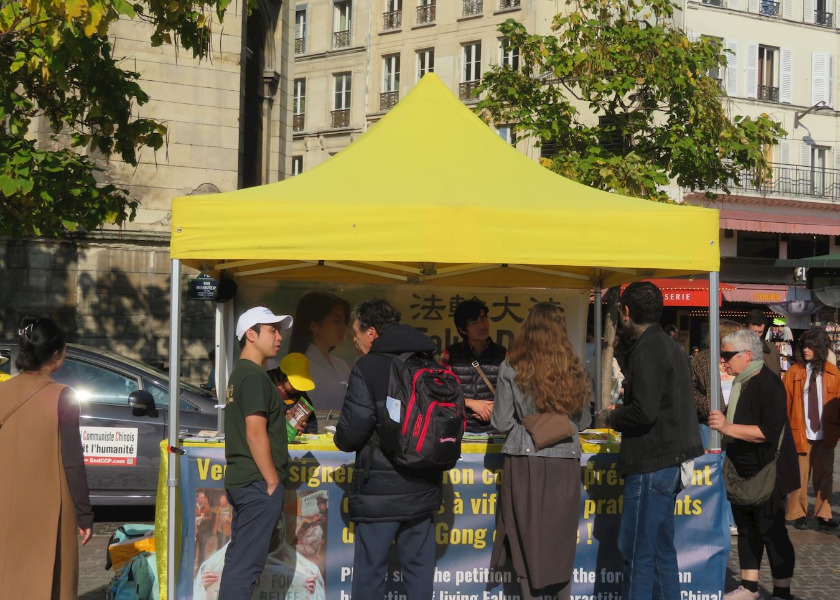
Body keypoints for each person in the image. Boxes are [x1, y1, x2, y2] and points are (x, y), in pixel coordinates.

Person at [334, 298, 442, 600]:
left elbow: (351, 435)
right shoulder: (428, 363)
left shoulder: (367, 367)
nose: (354, 339)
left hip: (379, 492)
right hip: (423, 486)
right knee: (420, 574)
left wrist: (340, 438)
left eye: (356, 332)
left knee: (370, 575)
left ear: (371, 333)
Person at [603, 282, 703, 600]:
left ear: (626, 312)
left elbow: (644, 412)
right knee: (660, 553)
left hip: (652, 461)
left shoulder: (648, 349)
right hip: (666, 460)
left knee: (639, 554)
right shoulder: (668, 344)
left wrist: (613, 416)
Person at [490, 303, 591, 600]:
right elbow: (583, 421)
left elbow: (501, 422)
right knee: (560, 539)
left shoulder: (512, 366)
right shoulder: (574, 367)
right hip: (566, 461)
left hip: (524, 458)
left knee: (526, 537)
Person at [0, 316, 93, 600]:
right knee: (53, 582)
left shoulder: (2, 391)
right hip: (51, 503)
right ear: (56, 355)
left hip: (5, 502)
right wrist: (84, 515)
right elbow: (73, 461)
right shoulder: (62, 396)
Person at [709, 329, 799, 600]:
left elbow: (768, 432)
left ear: (747, 355)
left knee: (772, 530)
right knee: (747, 527)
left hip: (770, 469)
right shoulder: (742, 382)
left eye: (727, 355)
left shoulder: (768, 383)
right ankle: (749, 587)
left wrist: (727, 427)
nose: (723, 361)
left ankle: (782, 590)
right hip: (743, 469)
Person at [219, 306, 293, 600]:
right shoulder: (252, 376)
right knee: (245, 565)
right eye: (272, 330)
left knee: (241, 561)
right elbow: (255, 432)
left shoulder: (245, 374)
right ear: (251, 334)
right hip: (256, 483)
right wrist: (272, 480)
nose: (279, 337)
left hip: (248, 481)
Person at [783, 329, 840, 531]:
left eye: (811, 346)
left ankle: (824, 514)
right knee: (799, 475)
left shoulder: (834, 374)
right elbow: (785, 404)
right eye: (804, 346)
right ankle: (798, 513)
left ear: (820, 348)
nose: (806, 350)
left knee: (825, 475)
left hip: (826, 433)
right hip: (800, 431)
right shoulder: (793, 373)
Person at [441, 298, 507, 432]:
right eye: (475, 323)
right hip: (459, 430)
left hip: (495, 431)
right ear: (463, 330)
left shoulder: (503, 354)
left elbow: (514, 391)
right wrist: (470, 403)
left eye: (483, 319)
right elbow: (440, 391)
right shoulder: (450, 354)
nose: (482, 326)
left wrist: (497, 408)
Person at [288, 291, 352, 411]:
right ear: (314, 326)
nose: (343, 327)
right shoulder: (300, 366)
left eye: (344, 321)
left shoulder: (341, 364)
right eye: (336, 321)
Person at [692, 319, 744, 450]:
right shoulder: (702, 359)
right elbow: (690, 391)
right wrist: (711, 406)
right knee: (713, 464)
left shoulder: (741, 358)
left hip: (737, 422)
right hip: (709, 424)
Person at [267, 352, 318, 434]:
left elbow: (311, 422)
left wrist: (310, 435)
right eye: (295, 384)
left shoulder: (300, 394)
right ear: (283, 376)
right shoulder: (265, 386)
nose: (298, 388)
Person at [745, 309, 782, 377]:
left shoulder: (772, 348)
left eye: (760, 332)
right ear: (745, 328)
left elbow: (777, 374)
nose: (756, 335)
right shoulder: (737, 347)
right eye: (753, 332)